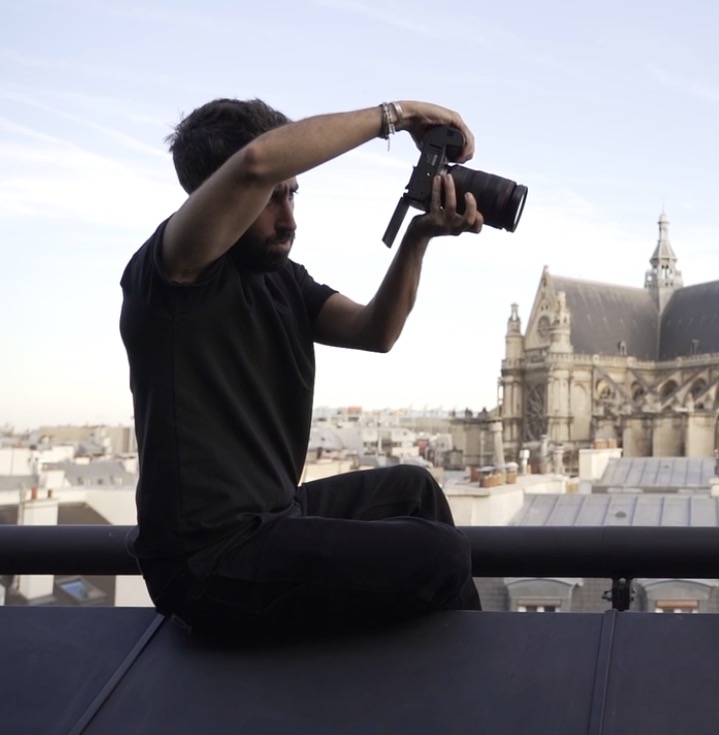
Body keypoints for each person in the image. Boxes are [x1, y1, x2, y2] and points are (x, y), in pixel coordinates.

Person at [119, 98, 487, 638]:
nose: (289, 217)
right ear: (219, 195)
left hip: (274, 518)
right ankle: (470, 680)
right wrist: (400, 116)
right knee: (441, 554)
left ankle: (455, 667)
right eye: (272, 198)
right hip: (208, 560)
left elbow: (376, 331)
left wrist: (418, 237)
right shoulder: (176, 269)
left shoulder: (280, 277)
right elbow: (257, 162)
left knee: (415, 490)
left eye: (292, 194)